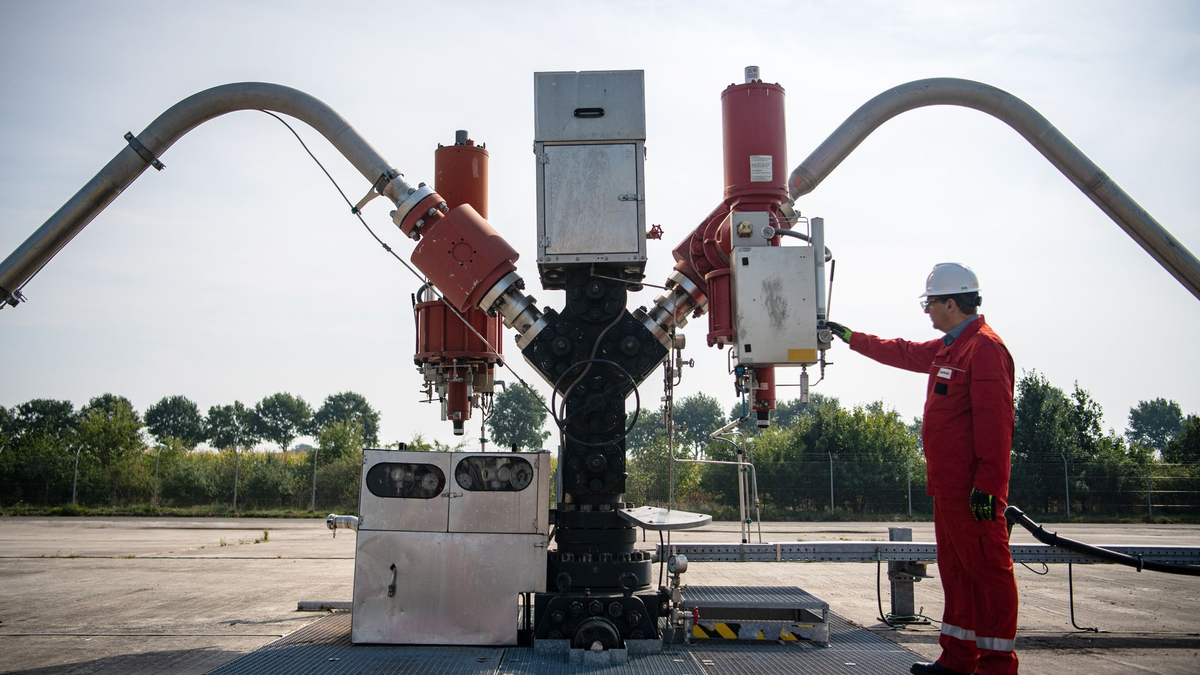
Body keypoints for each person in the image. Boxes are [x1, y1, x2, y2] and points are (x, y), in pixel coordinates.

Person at [826, 262, 1018, 675]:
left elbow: (996, 425)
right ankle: (957, 660)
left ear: (952, 303)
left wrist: (989, 486)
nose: (926, 310)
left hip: (973, 493)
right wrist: (850, 337)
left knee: (988, 576)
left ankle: (998, 666)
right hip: (948, 489)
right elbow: (902, 351)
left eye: (930, 303)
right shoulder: (950, 347)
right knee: (957, 575)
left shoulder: (984, 349)